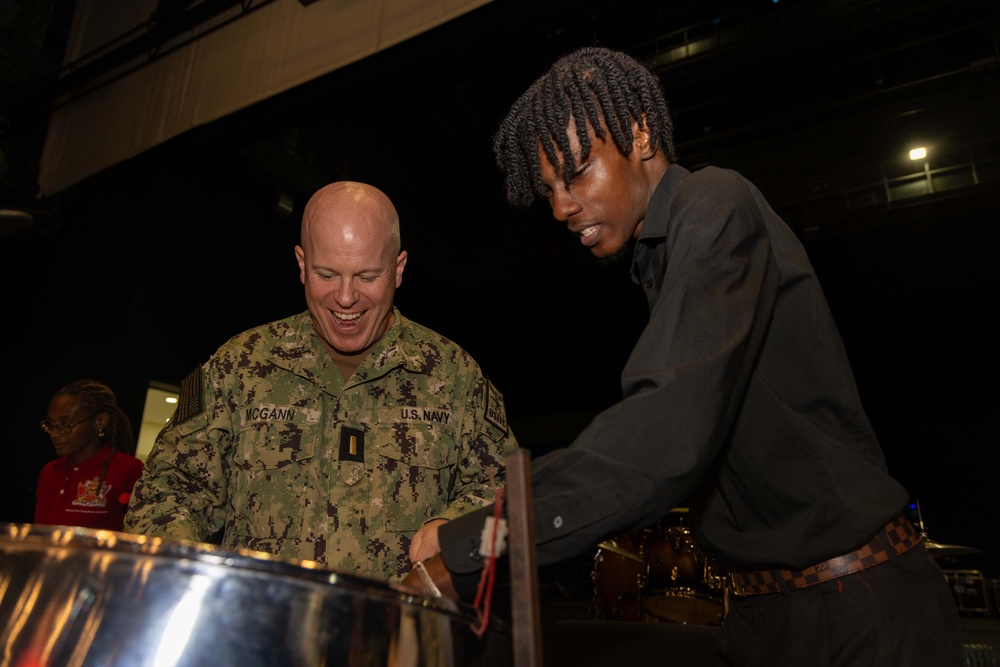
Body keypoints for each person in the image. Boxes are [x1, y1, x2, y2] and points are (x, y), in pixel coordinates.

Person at [403, 47, 963, 666]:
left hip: (856, 610)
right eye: (550, 190)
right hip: (766, 616)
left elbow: (665, 430)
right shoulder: (658, 261)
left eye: (578, 172)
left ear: (640, 133)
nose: (562, 207)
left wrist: (472, 543)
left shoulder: (717, 202)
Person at [124, 181, 516, 582]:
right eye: (326, 274)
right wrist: (186, 570)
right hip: (263, 629)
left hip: (399, 634)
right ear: (301, 264)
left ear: (397, 270)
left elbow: (506, 491)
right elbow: (167, 489)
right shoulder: (241, 365)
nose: (346, 298)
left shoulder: (453, 375)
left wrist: (454, 528)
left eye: (366, 276)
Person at [35, 379, 144, 531]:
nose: (54, 434)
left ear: (100, 421)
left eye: (66, 425)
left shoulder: (129, 469)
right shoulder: (50, 471)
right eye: (51, 425)